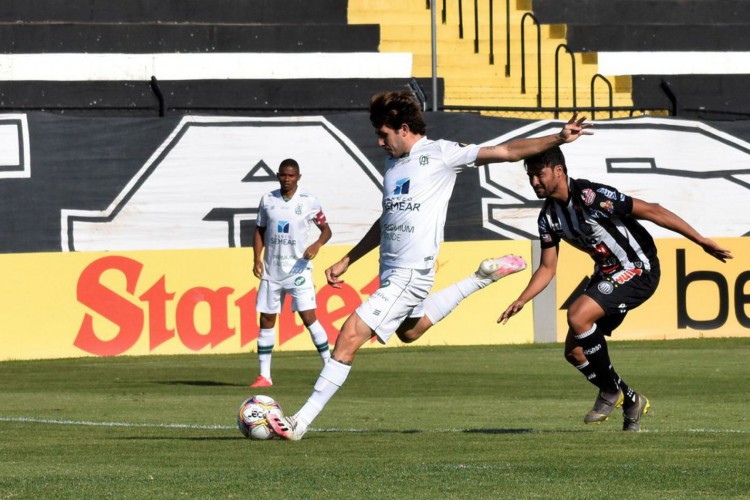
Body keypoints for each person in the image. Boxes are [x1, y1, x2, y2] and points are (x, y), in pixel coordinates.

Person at [267, 90, 591, 440]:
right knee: (410, 331)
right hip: (390, 273)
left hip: (410, 275)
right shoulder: (393, 165)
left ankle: (300, 422)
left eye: (383, 134)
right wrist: (349, 258)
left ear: (404, 129)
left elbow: (507, 151)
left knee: (349, 336)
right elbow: (387, 218)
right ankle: (479, 278)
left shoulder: (441, 154)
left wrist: (558, 137)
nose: (379, 142)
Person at [499, 146, 732, 431]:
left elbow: (653, 210)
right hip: (607, 274)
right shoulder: (548, 218)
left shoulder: (592, 197)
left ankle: (610, 392)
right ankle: (631, 400)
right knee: (575, 353)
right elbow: (548, 268)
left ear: (558, 171)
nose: (534, 182)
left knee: (578, 315)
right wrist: (522, 299)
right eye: (530, 176)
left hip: (639, 268)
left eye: (539, 174)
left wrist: (700, 240)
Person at [249, 158, 333, 388]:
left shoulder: (309, 200)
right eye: (283, 175)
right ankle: (264, 376)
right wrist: (256, 258)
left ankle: (330, 367)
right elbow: (259, 230)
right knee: (266, 318)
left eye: (291, 175)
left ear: (298, 177)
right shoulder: (268, 199)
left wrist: (316, 245)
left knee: (308, 317)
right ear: (278, 175)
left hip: (298, 270)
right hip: (272, 270)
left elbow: (326, 231)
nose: (287, 179)